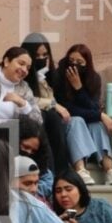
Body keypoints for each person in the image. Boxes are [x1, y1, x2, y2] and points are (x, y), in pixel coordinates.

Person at [52, 44, 112, 185]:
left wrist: (79, 88)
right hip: (64, 124)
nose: (74, 65)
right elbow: (69, 109)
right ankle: (80, 169)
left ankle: (109, 168)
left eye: (80, 63)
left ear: (87, 63)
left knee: (96, 124)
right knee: (77, 120)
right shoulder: (58, 76)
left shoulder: (93, 78)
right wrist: (100, 115)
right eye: (71, 60)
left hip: (86, 128)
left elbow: (93, 106)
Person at [21, 32, 70, 172]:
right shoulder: (21, 73)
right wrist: (53, 105)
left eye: (45, 55)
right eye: (37, 56)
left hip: (48, 119)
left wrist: (42, 79)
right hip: (26, 117)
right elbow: (29, 100)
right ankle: (51, 170)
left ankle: (62, 171)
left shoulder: (48, 75)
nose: (41, 59)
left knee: (55, 117)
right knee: (49, 115)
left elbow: (50, 98)